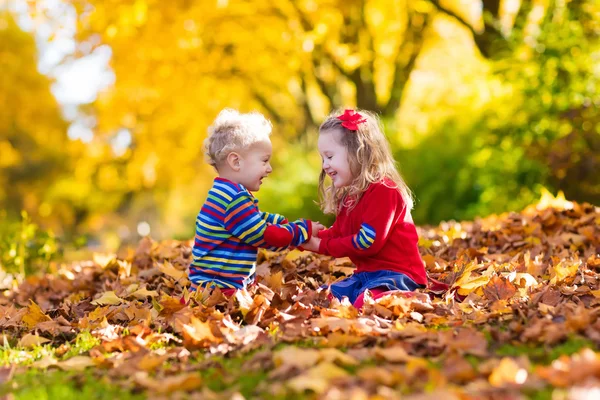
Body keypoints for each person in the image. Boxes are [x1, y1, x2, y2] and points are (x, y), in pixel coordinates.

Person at [187, 109, 322, 297]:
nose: (269, 168)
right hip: (219, 291)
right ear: (236, 161)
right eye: (264, 161)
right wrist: (302, 230)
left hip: (213, 287)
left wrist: (281, 223)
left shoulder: (225, 193)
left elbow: (255, 219)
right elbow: (264, 236)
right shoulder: (233, 199)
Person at [301, 108, 428, 309]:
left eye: (330, 156)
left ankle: (412, 299)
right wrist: (302, 236)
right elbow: (338, 233)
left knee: (366, 304)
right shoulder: (351, 196)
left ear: (358, 152)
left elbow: (366, 242)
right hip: (366, 276)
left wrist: (319, 246)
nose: (325, 165)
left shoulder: (384, 190)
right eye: (323, 158)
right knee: (319, 298)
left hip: (398, 275)